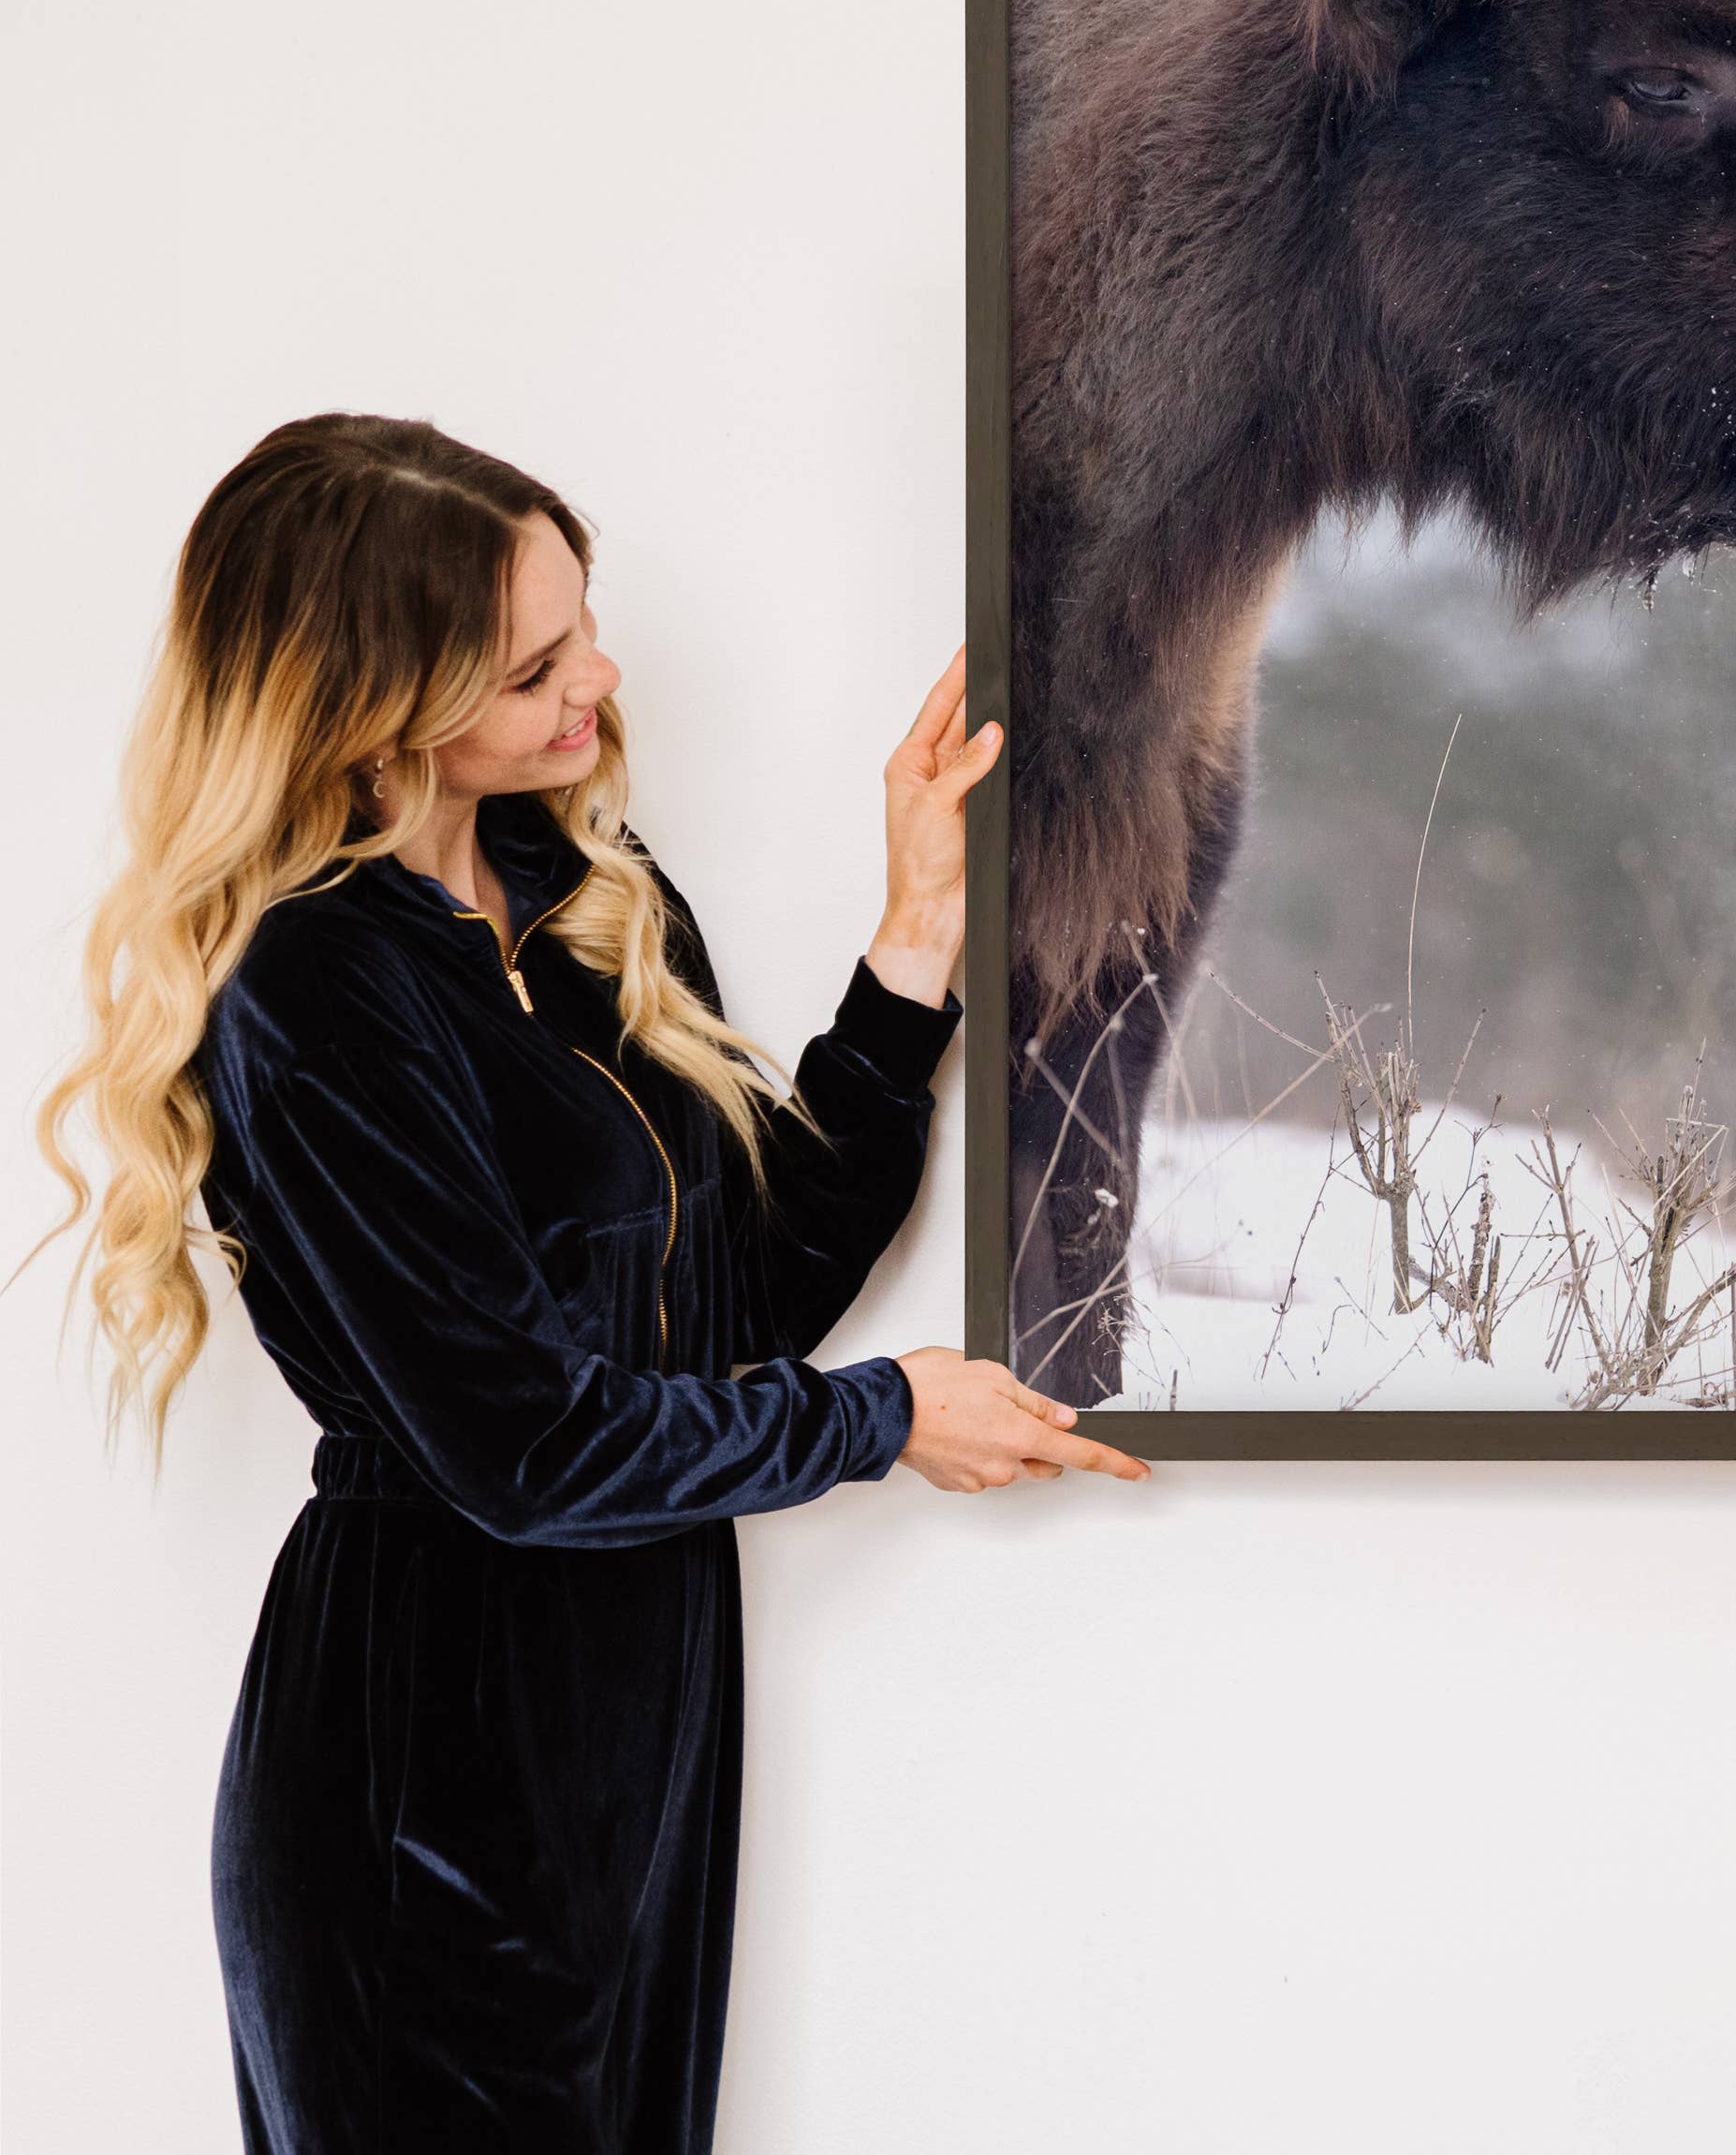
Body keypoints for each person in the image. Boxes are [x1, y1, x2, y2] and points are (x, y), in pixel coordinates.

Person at [35, 413, 1147, 2154]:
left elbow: (747, 1297)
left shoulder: (583, 894)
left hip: (633, 1737)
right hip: (426, 1768)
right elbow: (525, 1446)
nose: (600, 683)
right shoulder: (307, 992)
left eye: (585, 625)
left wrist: (916, 935)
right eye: (534, 667)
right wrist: (880, 1423)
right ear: (372, 708)